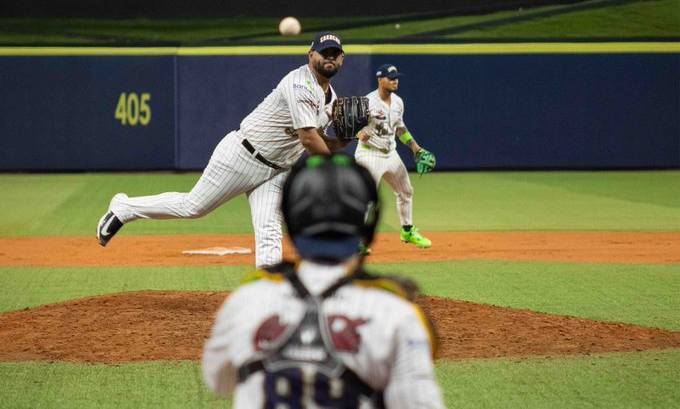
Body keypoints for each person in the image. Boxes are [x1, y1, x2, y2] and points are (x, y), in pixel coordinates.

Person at [202, 153, 445, 408]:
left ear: (290, 220)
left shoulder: (247, 299)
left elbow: (218, 380)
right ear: (368, 223)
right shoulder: (396, 313)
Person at [96, 31, 349, 268]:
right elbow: (308, 139)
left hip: (277, 169)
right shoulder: (300, 84)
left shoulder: (332, 99)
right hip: (243, 155)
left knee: (269, 227)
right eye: (324, 52)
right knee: (193, 207)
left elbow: (318, 140)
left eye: (334, 54)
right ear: (310, 55)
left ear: (342, 59)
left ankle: (268, 287)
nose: (329, 57)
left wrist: (342, 142)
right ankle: (125, 208)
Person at [355, 64, 434, 253]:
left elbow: (399, 128)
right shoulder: (367, 102)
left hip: (391, 154)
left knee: (406, 191)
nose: (395, 81)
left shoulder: (398, 102)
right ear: (379, 80)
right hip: (369, 154)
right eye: (391, 78)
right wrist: (359, 133)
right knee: (367, 198)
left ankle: (407, 231)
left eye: (396, 77)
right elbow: (351, 125)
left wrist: (415, 148)